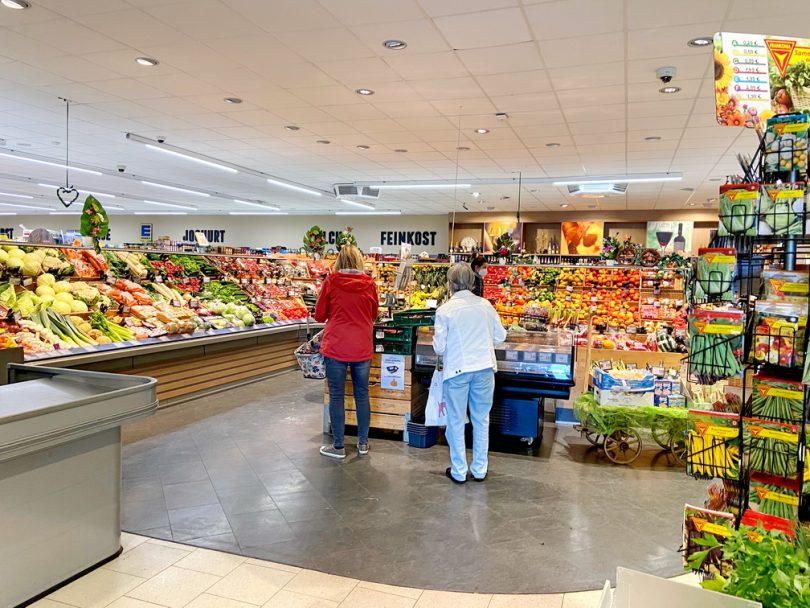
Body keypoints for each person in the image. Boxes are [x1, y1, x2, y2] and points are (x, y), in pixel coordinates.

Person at [432, 263, 507, 483]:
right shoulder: (486, 306)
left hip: (457, 370)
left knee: (456, 421)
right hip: (484, 368)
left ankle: (459, 471)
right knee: (481, 420)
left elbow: (439, 348)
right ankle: (480, 470)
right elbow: (500, 336)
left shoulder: (445, 310)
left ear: (450, 283)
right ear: (472, 282)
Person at [314, 245, 378, 459]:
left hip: (336, 346)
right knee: (362, 394)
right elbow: (374, 313)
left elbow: (319, 315)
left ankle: (339, 446)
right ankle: (363, 444)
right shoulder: (369, 283)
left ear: (339, 261)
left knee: (336, 395)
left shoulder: (331, 281)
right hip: (361, 346)